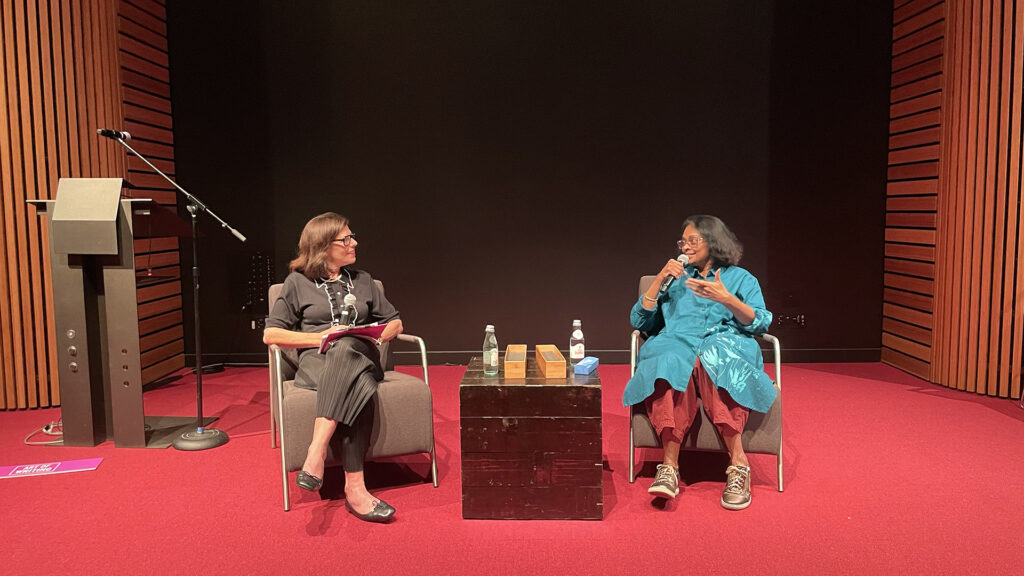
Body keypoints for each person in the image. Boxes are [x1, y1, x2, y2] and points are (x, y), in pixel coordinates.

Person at [623, 215, 776, 510]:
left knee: (714, 358)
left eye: (694, 240)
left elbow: (761, 323)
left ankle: (739, 465)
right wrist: (659, 280)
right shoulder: (674, 280)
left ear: (714, 242)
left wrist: (727, 299)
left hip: (724, 341)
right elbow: (638, 321)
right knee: (669, 359)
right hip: (676, 341)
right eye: (683, 241)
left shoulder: (741, 279)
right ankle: (668, 467)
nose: (687, 247)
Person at [264, 212, 404, 523]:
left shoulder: (364, 279)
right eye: (346, 239)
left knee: (347, 347)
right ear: (324, 245)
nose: (354, 243)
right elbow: (271, 334)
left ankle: (316, 452)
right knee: (356, 381)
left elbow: (395, 320)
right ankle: (356, 489)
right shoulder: (296, 283)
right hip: (317, 361)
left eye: (352, 237)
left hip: (364, 355)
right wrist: (319, 336)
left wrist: (381, 333)